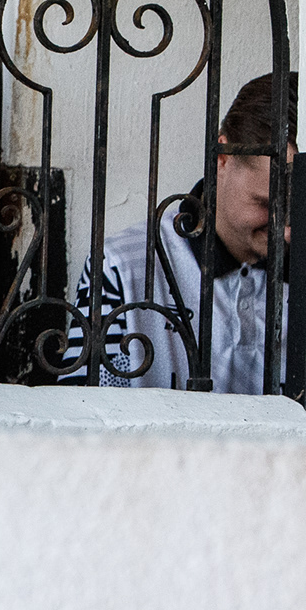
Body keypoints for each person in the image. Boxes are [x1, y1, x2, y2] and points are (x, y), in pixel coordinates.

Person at [66, 71, 297, 392]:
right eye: (266, 205)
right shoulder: (123, 268)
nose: (288, 233)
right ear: (224, 157)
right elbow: (85, 425)